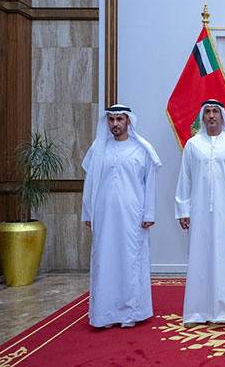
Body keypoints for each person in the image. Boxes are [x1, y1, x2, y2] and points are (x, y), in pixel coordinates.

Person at [81, 104, 161, 329]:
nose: (115, 124)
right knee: (104, 261)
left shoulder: (142, 149)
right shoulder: (99, 147)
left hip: (133, 217)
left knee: (131, 261)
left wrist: (149, 213)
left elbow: (149, 183)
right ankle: (104, 314)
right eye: (111, 120)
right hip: (104, 216)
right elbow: (90, 183)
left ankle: (130, 313)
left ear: (128, 121)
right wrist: (87, 212)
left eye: (120, 119)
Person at [175, 99, 225, 328]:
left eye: (215, 112)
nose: (211, 116)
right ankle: (197, 312)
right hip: (199, 214)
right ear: (202, 116)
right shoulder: (192, 145)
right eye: (207, 112)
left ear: (222, 116)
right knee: (199, 259)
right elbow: (185, 179)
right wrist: (183, 210)